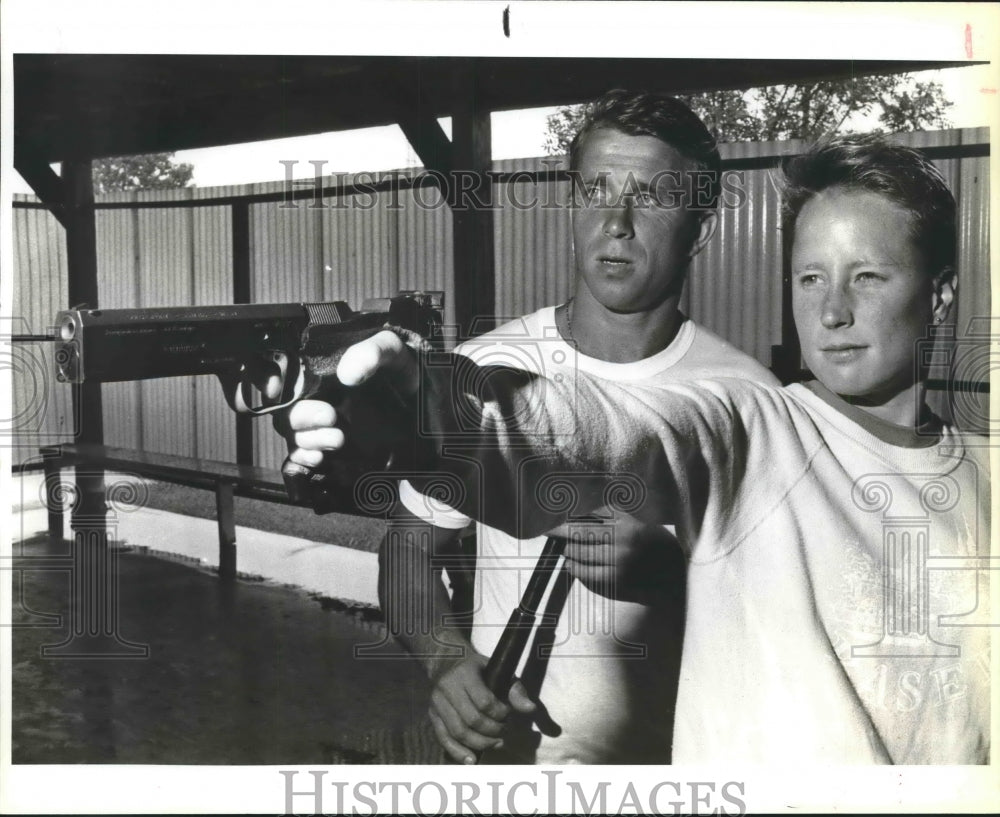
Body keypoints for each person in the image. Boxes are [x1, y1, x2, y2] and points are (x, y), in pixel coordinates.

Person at [286, 132, 990, 764]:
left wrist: (671, 571)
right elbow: (592, 428)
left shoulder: (753, 385)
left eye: (866, 275)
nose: (833, 309)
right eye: (811, 277)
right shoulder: (754, 416)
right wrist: (428, 415)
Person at [295, 89, 778, 765]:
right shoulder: (483, 373)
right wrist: (445, 660)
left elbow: (786, 625)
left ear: (701, 224)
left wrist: (677, 573)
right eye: (597, 189)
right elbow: (407, 549)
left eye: (655, 195)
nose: (618, 221)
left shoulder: (751, 402)